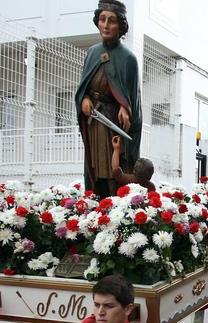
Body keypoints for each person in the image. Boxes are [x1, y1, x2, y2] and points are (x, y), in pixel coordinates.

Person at [75, 0, 142, 198]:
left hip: (114, 121)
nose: (105, 25)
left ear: (120, 26)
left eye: (111, 21)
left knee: (115, 166)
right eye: (102, 19)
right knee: (95, 166)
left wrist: (125, 107)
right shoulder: (93, 52)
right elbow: (83, 87)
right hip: (94, 118)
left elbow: (132, 97)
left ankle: (114, 201)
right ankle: (97, 200)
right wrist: (84, 98)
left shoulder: (128, 58)